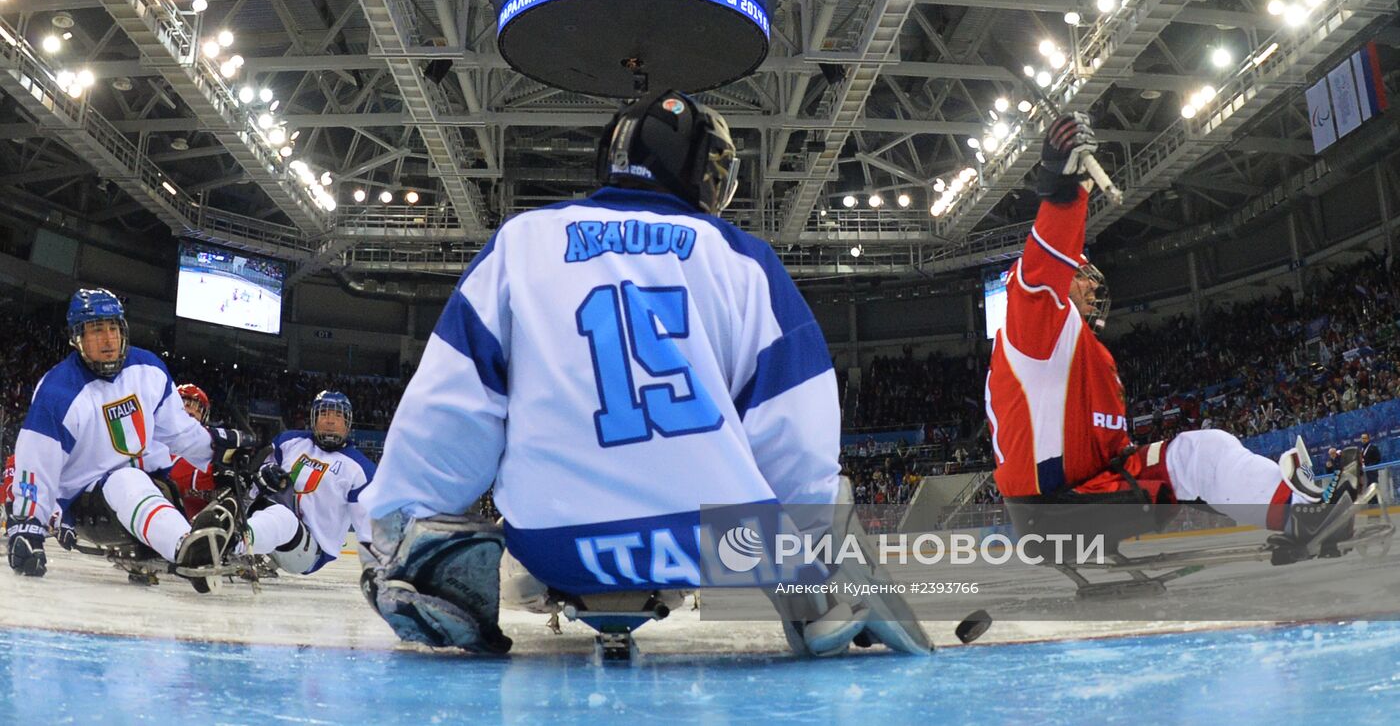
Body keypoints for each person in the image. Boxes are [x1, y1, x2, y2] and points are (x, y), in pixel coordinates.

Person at [360, 90, 927, 657]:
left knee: (467, 521)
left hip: (553, 547)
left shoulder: (521, 241)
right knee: (810, 516)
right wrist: (819, 559)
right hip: (719, 546)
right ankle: (812, 606)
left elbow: (453, 401)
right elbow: (795, 424)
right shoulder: (744, 259)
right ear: (700, 169)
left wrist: (404, 521)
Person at [985, 114, 1362, 562]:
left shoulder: (1069, 349)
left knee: (1202, 452)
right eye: (1080, 275)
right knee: (1200, 456)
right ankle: (1304, 514)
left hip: (1078, 497)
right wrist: (1062, 187)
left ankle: (1299, 510)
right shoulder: (1035, 328)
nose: (1090, 286)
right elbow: (1042, 271)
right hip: (1061, 510)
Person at [4, 289, 249, 587]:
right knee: (125, 479)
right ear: (77, 338)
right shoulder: (58, 392)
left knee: (156, 480)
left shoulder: (148, 369)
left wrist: (216, 451)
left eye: (113, 328)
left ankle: (206, 544)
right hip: (86, 503)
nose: (108, 340)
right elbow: (36, 462)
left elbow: (179, 431)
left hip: (152, 486)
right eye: (96, 330)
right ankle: (187, 548)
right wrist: (29, 525)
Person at [205, 390, 375, 576]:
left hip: (309, 550)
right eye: (324, 413)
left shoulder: (360, 470)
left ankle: (232, 543)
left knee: (283, 517)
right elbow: (256, 478)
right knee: (234, 491)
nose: (330, 420)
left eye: (338, 415)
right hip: (269, 523)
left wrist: (378, 570)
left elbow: (368, 528)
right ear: (314, 418)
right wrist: (261, 475)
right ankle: (195, 537)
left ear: (347, 423)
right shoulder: (290, 441)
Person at [169, 384, 217, 520]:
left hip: (207, 508)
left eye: (197, 407)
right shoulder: (162, 433)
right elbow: (172, 469)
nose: (190, 410)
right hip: (174, 506)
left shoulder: (210, 440)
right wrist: (215, 475)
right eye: (185, 404)